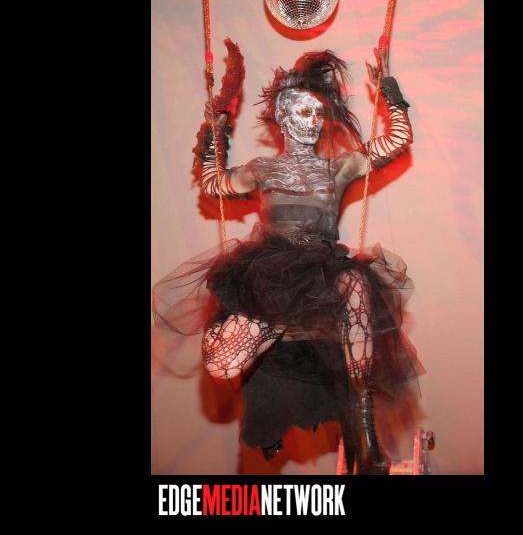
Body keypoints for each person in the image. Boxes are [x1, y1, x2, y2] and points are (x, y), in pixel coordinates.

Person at [153, 48, 424, 474]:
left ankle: (366, 435)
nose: (312, 120)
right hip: (273, 279)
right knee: (222, 365)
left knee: (355, 284)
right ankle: (281, 331)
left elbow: (396, 141)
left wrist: (388, 91)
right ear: (281, 115)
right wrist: (215, 130)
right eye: (302, 110)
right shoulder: (263, 169)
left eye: (318, 112)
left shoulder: (338, 169)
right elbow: (214, 184)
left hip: (325, 272)